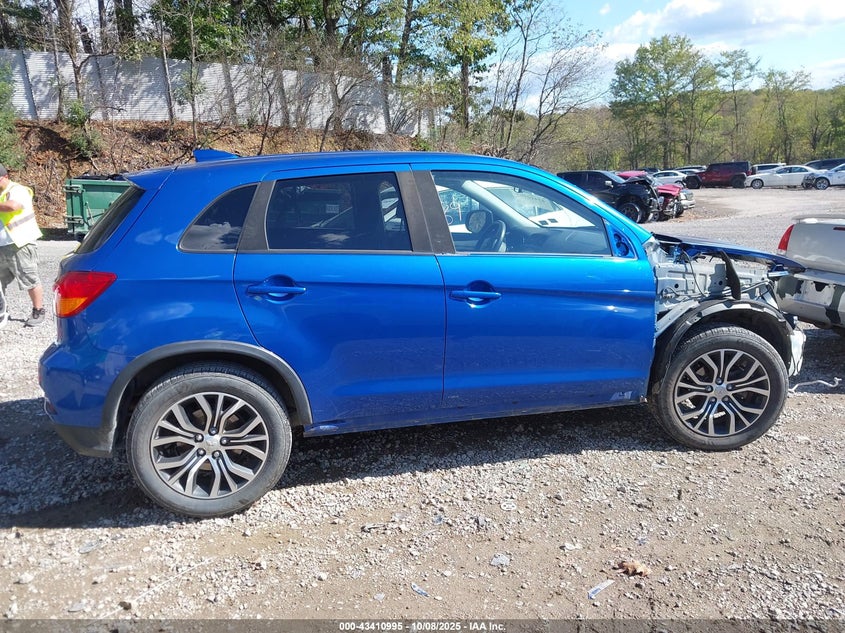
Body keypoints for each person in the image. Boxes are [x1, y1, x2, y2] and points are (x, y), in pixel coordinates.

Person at [0, 164, 45, 327]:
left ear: (4, 177)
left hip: (20, 244)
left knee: (29, 278)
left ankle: (38, 310)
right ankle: (2, 311)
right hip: (2, 246)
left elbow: (13, 206)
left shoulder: (18, 190)